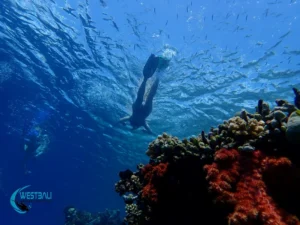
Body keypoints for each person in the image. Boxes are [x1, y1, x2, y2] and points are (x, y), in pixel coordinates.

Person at [118, 54, 169, 135]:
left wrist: (147, 131)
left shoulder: (136, 121)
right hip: (141, 111)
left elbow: (150, 132)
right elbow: (120, 120)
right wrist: (122, 123)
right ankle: (148, 78)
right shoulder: (133, 120)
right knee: (142, 98)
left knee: (149, 97)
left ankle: (158, 76)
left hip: (144, 112)